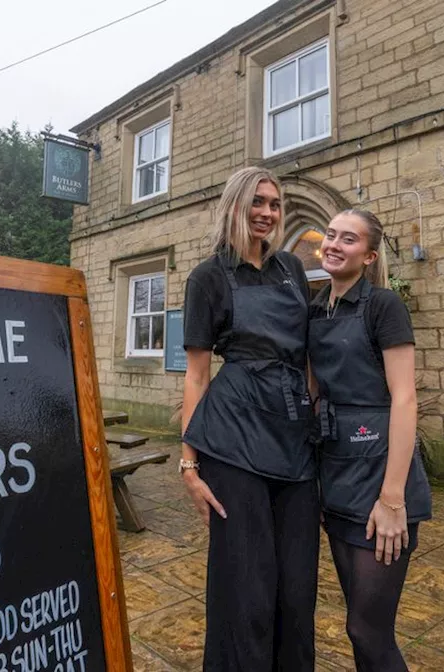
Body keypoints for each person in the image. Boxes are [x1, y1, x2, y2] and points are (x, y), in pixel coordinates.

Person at [179, 166, 319, 671]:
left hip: (293, 437)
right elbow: (196, 375)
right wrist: (188, 464)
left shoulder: (292, 269)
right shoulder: (209, 277)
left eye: (275, 204)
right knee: (245, 588)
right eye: (257, 202)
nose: (267, 212)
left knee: (297, 590)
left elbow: (306, 358)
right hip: (233, 439)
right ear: (236, 205)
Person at [308, 209, 432, 672]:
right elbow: (313, 391)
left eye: (349, 240)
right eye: (331, 236)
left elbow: (404, 399)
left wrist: (393, 499)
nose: (335, 245)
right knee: (356, 628)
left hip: (382, 475)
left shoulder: (383, 306)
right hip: (336, 473)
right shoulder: (316, 308)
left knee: (368, 629)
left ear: (369, 255)